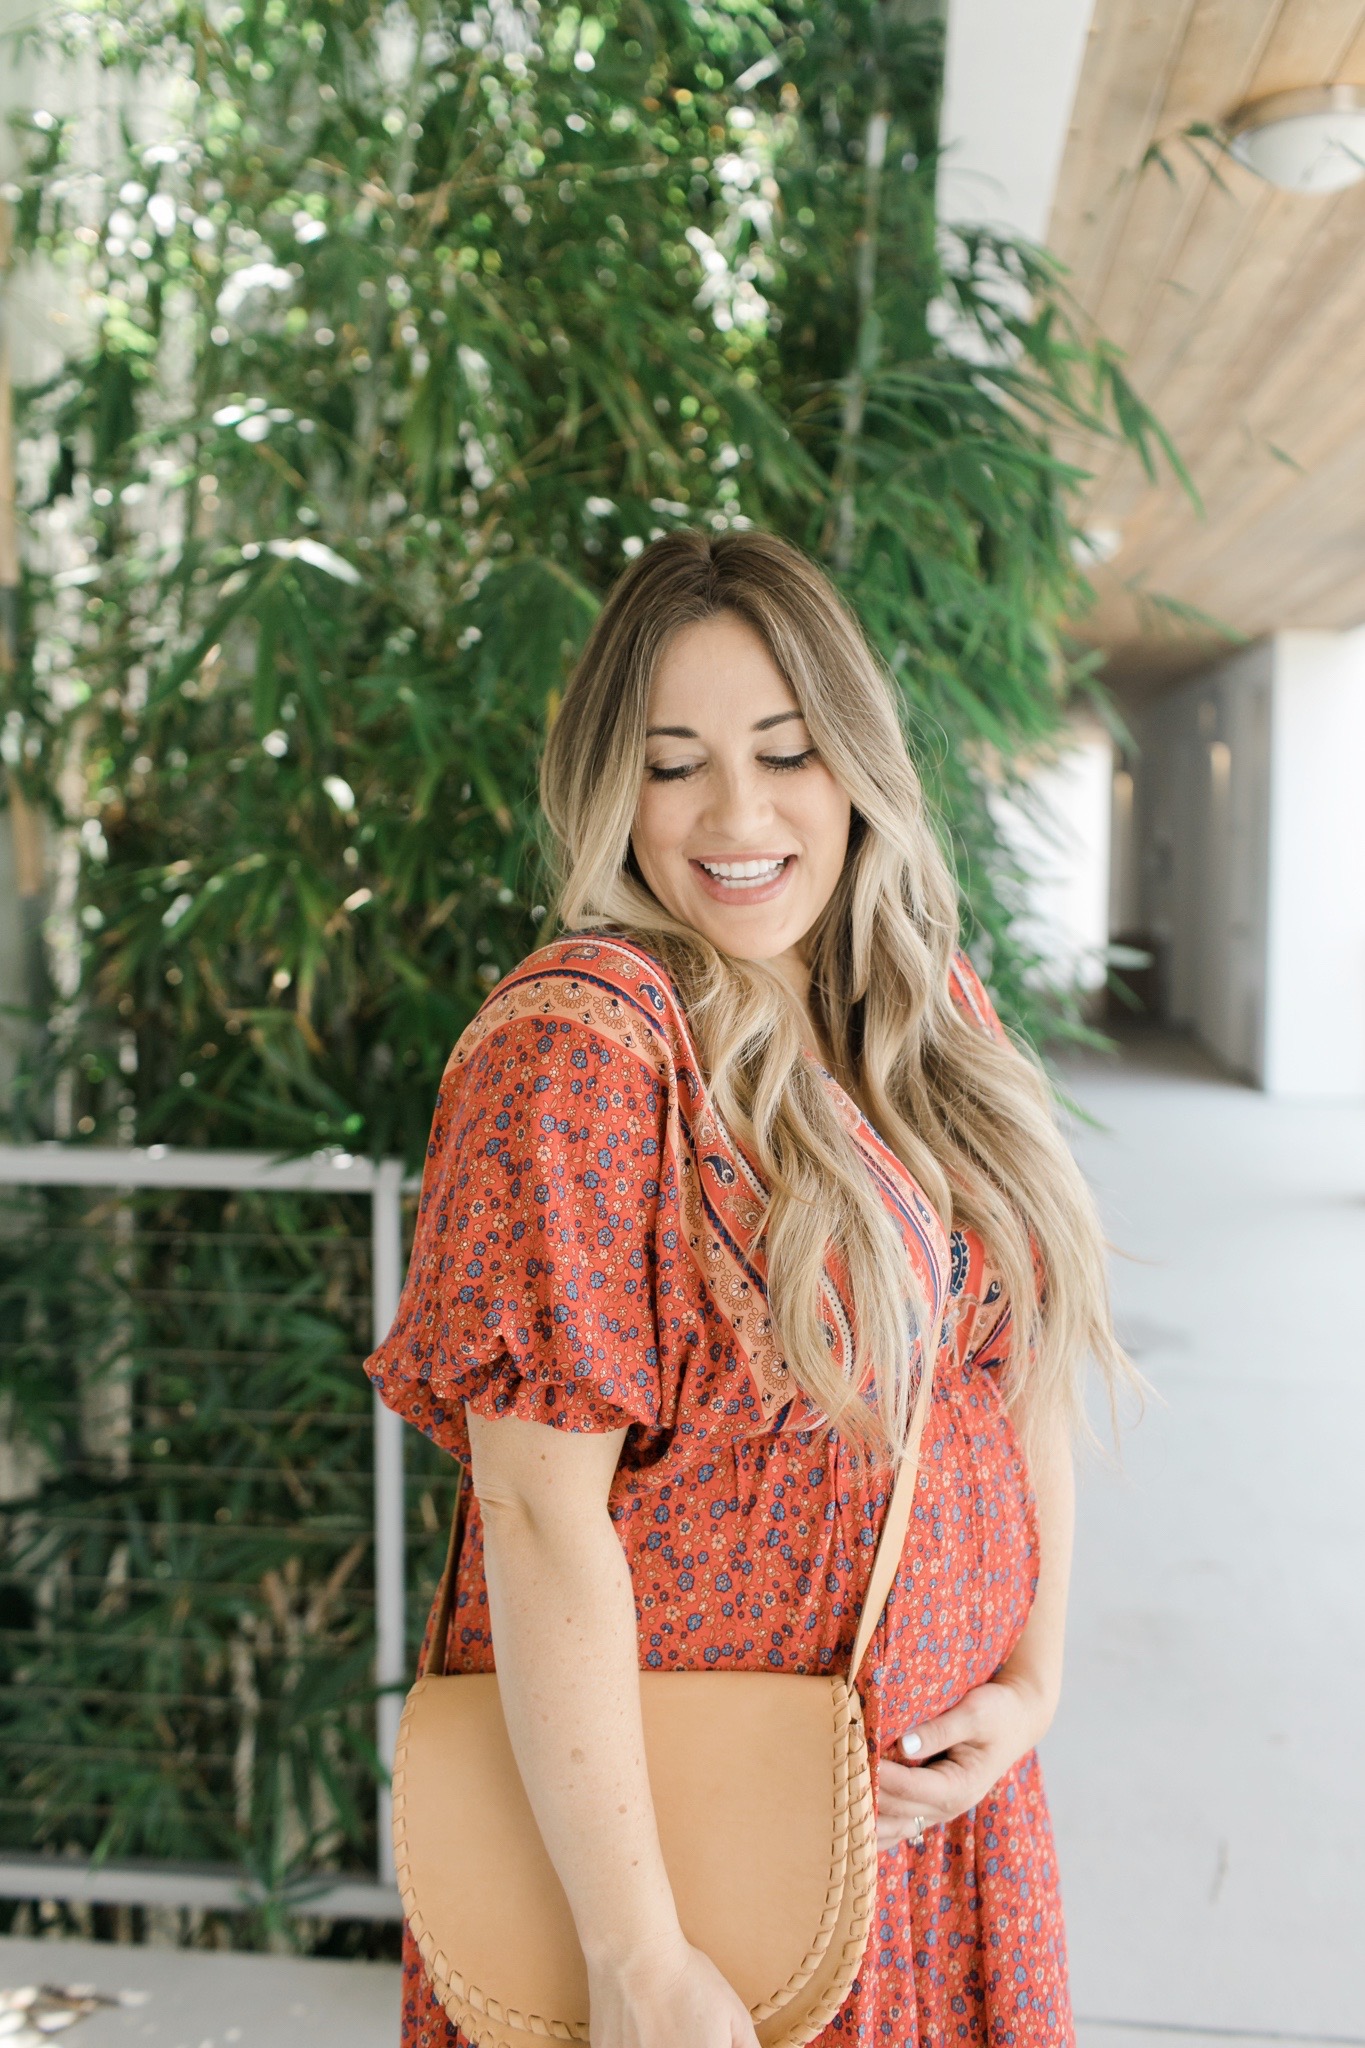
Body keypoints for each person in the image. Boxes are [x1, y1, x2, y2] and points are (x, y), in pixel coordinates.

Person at [364, 527, 1128, 2048]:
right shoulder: (579, 1058)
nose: (736, 814)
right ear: (605, 784)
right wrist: (637, 1958)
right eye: (672, 763)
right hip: (703, 1871)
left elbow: (1007, 1365)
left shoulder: (919, 1005)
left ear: (855, 760)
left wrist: (1030, 1682)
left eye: (784, 751)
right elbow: (534, 1513)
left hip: (939, 1821)